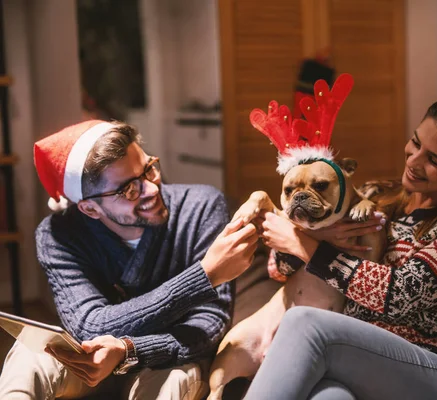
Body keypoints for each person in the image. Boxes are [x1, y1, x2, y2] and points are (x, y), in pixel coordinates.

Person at [243, 81, 437, 398]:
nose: (414, 161)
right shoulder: (376, 194)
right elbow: (278, 269)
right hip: (361, 357)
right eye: (415, 143)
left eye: (434, 160)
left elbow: (398, 296)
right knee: (329, 396)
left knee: (305, 324)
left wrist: (305, 245)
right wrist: (311, 235)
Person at [0, 120, 259, 399]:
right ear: (90, 208)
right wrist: (204, 276)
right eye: (129, 190)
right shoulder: (58, 235)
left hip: (169, 354)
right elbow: (90, 326)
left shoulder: (202, 207)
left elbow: (210, 323)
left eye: (149, 169)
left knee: (176, 378)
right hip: (93, 362)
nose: (151, 189)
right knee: (30, 352)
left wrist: (129, 350)